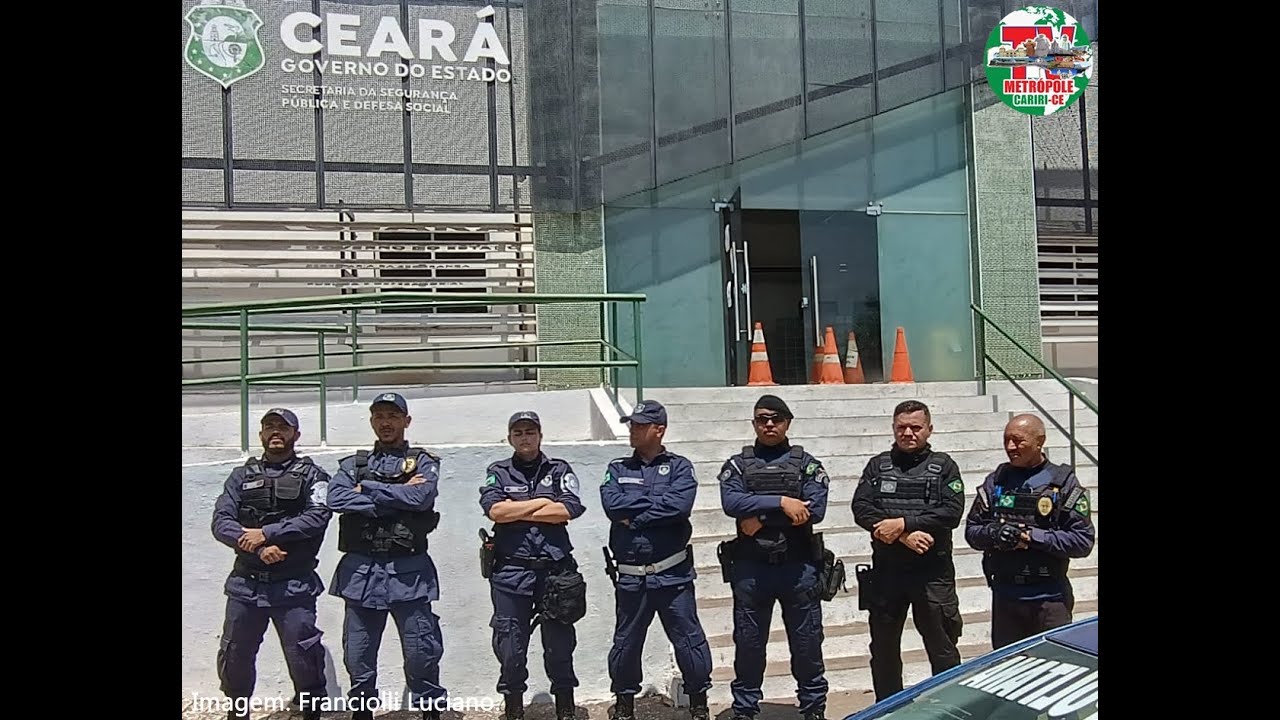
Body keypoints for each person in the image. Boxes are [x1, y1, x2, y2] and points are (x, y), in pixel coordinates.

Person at [326, 392, 446, 720]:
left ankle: (430, 712)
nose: (386, 422)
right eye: (379, 415)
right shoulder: (353, 464)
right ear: (371, 421)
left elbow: (422, 497)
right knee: (358, 656)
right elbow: (335, 498)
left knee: (422, 652)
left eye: (393, 415)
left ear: (406, 421)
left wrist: (367, 490)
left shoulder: (423, 461)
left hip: (409, 573)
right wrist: (396, 496)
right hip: (360, 573)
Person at [210, 408, 332, 720]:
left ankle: (311, 713)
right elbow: (221, 521)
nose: (276, 432)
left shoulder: (314, 476)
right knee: (235, 654)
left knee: (303, 655)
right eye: (269, 427)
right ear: (262, 434)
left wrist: (266, 533)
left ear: (296, 435)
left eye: (283, 427)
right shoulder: (241, 476)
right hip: (245, 584)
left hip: (293, 584)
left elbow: (317, 518)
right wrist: (259, 547)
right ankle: (238, 712)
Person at [717, 394, 831, 720]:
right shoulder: (738, 465)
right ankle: (745, 710)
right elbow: (732, 504)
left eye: (776, 418)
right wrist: (782, 503)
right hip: (753, 569)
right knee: (749, 645)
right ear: (754, 423)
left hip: (799, 568)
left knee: (807, 644)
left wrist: (761, 517)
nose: (769, 424)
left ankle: (813, 709)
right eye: (762, 419)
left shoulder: (807, 465)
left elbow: (815, 510)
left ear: (787, 422)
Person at [600, 401, 712, 720]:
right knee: (626, 644)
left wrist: (635, 517)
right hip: (632, 577)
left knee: (689, 641)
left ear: (659, 429)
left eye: (639, 425)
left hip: (673, 575)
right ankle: (624, 705)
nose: (632, 430)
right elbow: (612, 505)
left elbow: (679, 507)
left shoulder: (679, 467)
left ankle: (698, 704)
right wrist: (652, 509)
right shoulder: (618, 468)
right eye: (631, 425)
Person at [850, 400, 966, 702]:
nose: (908, 433)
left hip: (932, 573)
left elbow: (951, 513)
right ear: (893, 428)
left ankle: (950, 707)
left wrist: (904, 521)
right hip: (888, 572)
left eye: (916, 427)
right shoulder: (879, 465)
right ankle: (889, 707)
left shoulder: (945, 466)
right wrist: (903, 535)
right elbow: (861, 508)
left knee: (942, 647)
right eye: (902, 427)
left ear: (929, 429)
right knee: (884, 651)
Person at [479, 411, 588, 720]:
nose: (524, 437)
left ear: (540, 435)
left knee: (560, 644)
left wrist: (517, 510)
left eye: (530, 431)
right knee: (511, 645)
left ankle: (565, 708)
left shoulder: (559, 469)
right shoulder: (498, 472)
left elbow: (569, 509)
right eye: (518, 433)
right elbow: (495, 512)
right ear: (510, 438)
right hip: (511, 572)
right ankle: (514, 708)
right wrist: (542, 503)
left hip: (555, 572)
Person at [965, 413, 1095, 649]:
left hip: (1049, 599)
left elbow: (1082, 541)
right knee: (1007, 672)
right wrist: (996, 534)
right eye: (1006, 440)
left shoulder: (1063, 483)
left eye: (1018, 440)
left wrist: (1031, 537)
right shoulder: (997, 481)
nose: (1010, 447)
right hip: (1006, 597)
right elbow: (972, 531)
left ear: (1040, 441)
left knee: (1054, 671)